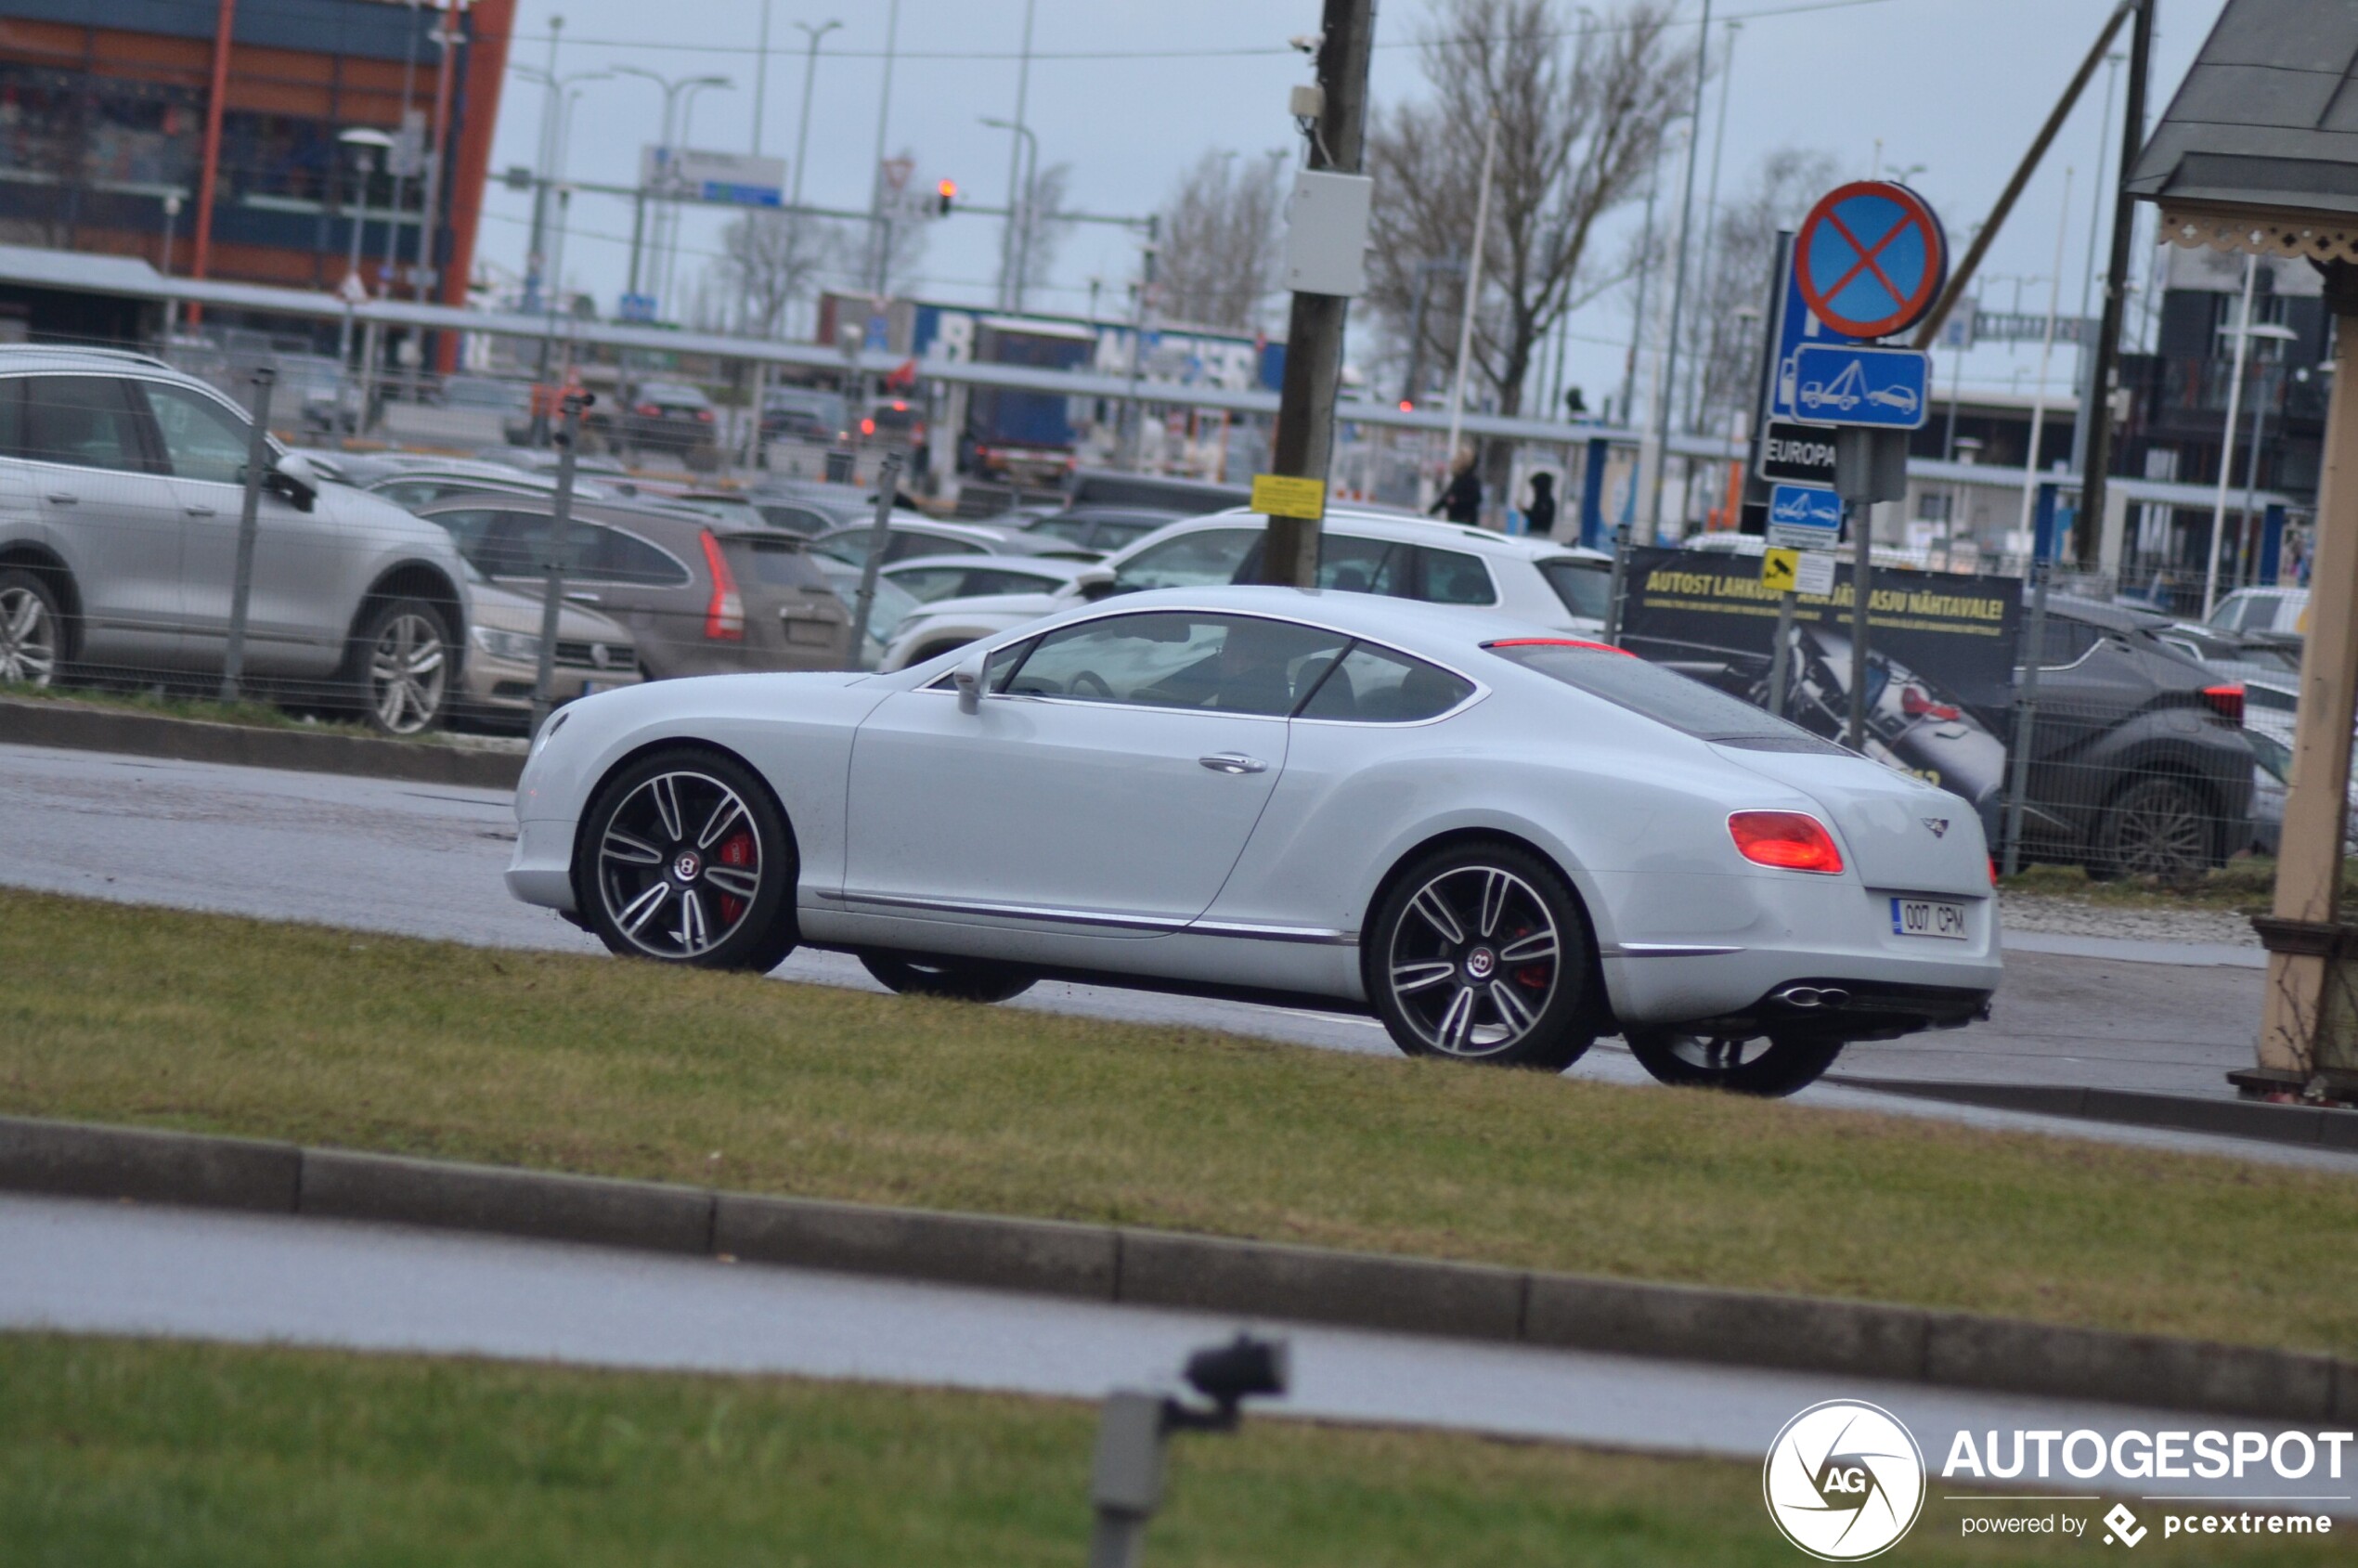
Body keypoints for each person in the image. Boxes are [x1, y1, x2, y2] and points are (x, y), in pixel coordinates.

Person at [1430, 448, 1482, 526]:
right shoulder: (1459, 479)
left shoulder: (1469, 480)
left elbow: (1476, 498)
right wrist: (1431, 512)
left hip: (1464, 522)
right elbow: (1445, 498)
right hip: (1457, 521)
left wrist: (1457, 501)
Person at [1524, 472, 1558, 538]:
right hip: (1537, 533)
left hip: (1538, 534)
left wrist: (1525, 511)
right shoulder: (1545, 501)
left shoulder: (1545, 502)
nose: (1534, 490)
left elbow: (1537, 518)